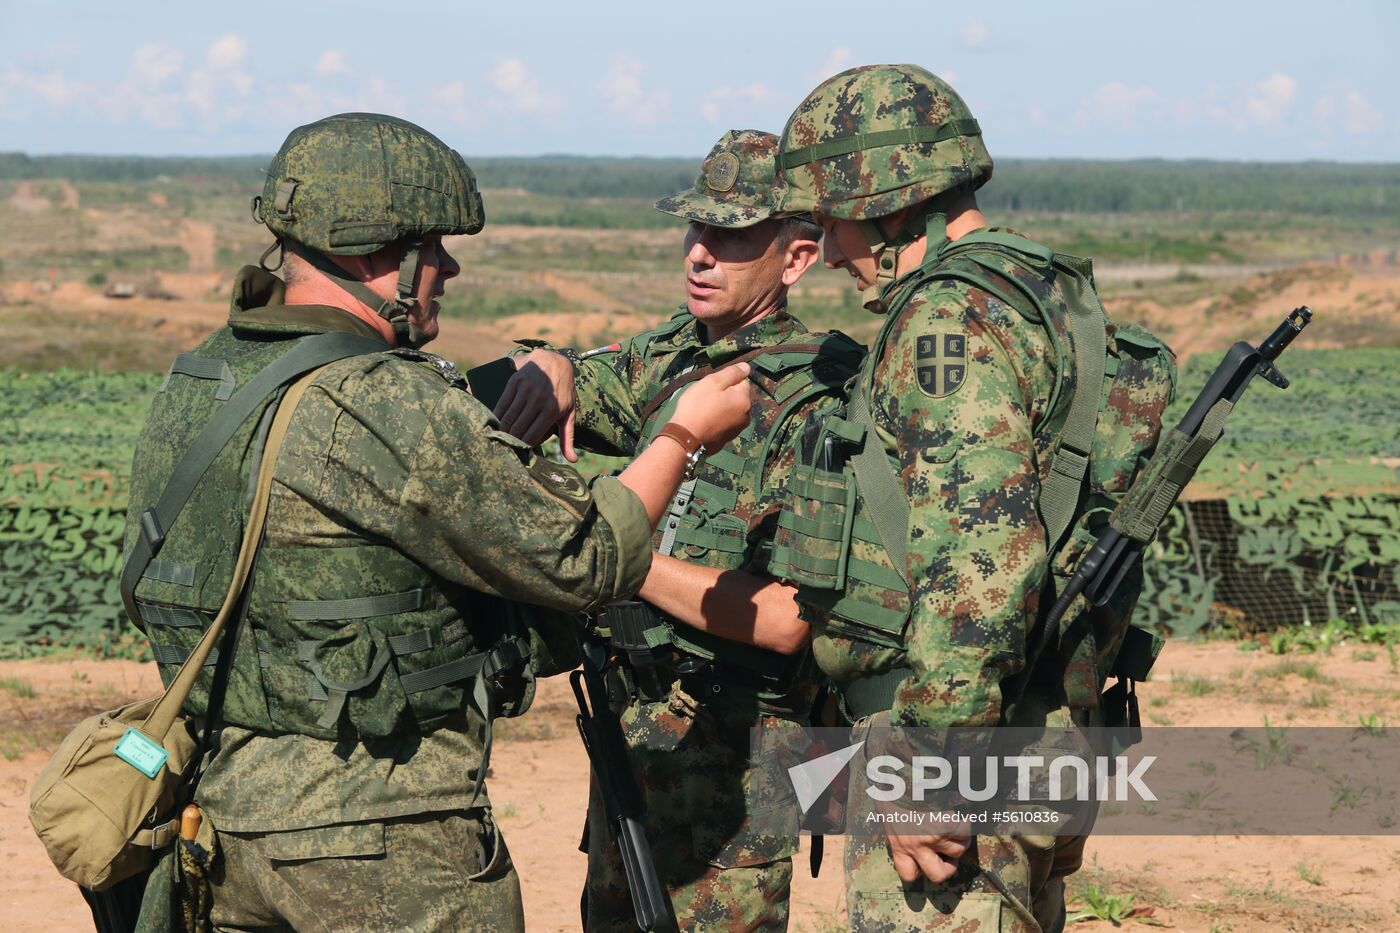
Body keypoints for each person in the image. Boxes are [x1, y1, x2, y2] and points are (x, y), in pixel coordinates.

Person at [120, 112, 752, 933]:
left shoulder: (200, 379)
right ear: (371, 252)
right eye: (432, 246)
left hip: (225, 821)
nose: (447, 267)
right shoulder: (386, 396)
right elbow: (588, 558)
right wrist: (682, 432)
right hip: (388, 843)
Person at [766, 65, 1177, 931]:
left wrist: (926, 763)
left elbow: (981, 554)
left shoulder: (946, 320)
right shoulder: (1047, 293)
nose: (831, 249)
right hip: (1044, 728)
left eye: (834, 221)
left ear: (892, 206)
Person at [493, 129, 863, 931]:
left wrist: (613, 556)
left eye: (730, 236)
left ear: (796, 259)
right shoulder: (673, 356)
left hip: (735, 759)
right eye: (696, 229)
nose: (700, 253)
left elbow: (787, 619)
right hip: (635, 730)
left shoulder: (822, 396)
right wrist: (549, 362)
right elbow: (570, 383)